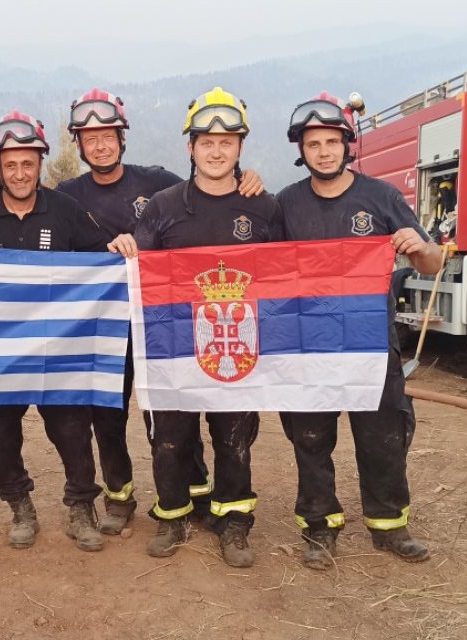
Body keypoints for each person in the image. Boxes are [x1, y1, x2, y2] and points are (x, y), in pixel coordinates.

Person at [0, 88, 268, 535]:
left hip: (159, 325)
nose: (99, 144)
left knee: (167, 417)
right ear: (77, 146)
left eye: (107, 135)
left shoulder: (156, 183)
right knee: (107, 417)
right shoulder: (66, 196)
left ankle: (195, 492)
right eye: (89, 138)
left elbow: (207, 189)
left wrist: (246, 177)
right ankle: (120, 496)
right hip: (99, 329)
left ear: (122, 138)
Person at [275, 92, 443, 571]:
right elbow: (261, 268)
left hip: (371, 343)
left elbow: (431, 264)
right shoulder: (285, 204)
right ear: (301, 150)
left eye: (332, 141)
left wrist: (419, 246)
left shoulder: (381, 197)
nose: (324, 151)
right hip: (307, 345)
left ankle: (389, 526)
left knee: (383, 435)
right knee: (310, 438)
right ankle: (319, 528)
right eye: (313, 143)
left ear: (347, 145)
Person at [0, 110, 132, 552]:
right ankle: (19, 505)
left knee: (73, 431)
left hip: (58, 353)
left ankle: (80, 507)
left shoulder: (66, 210)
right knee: (2, 438)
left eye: (28, 164)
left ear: (40, 164)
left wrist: (122, 247)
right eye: (10, 165)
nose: (20, 173)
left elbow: (101, 262)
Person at [132, 88, 282, 568]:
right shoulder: (162, 205)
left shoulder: (264, 208)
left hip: (239, 348)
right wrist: (123, 249)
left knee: (234, 440)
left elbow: (287, 275)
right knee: (170, 439)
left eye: (227, 142)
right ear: (190, 147)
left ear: (240, 147)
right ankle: (172, 515)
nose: (216, 151)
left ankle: (234, 521)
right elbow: (139, 271)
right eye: (206, 142)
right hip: (174, 349)